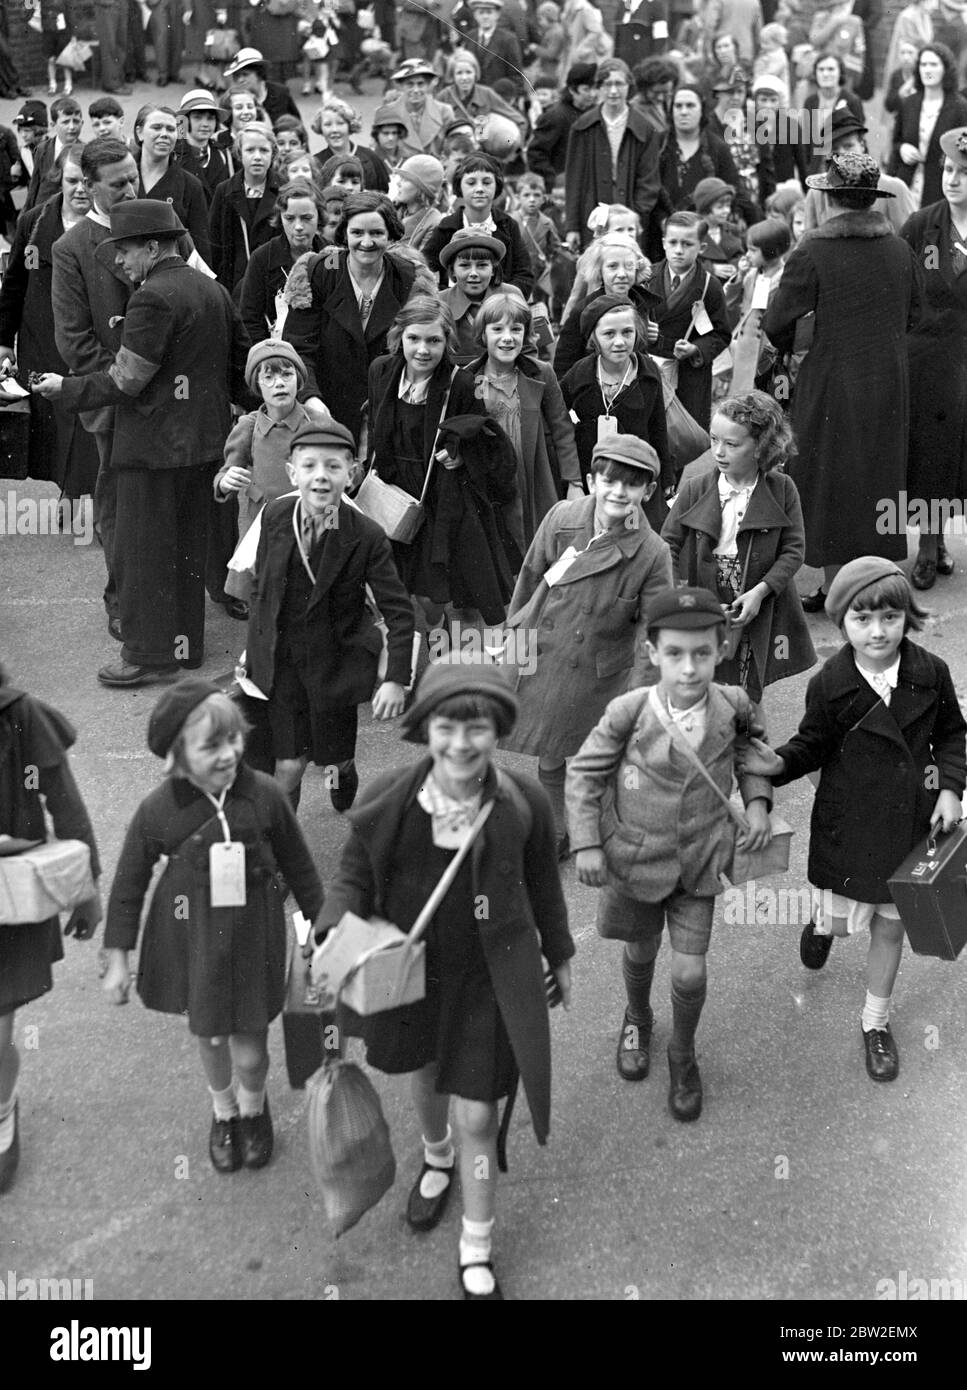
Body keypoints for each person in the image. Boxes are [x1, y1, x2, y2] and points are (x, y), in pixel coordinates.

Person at [312, 658, 574, 1301]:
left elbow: (543, 882)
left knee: (479, 1113)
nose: (461, 743)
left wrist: (560, 954)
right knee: (425, 1074)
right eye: (447, 727)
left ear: (497, 731)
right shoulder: (390, 800)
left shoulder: (522, 803)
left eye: (477, 728)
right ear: (424, 730)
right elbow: (352, 874)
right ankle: (435, 1157)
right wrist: (330, 930)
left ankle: (476, 1244)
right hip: (409, 971)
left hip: (490, 977)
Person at [738, 559, 966, 1084]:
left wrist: (951, 790)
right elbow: (813, 743)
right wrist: (778, 764)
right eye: (863, 620)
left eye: (890, 617)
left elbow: (953, 736)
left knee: (890, 928)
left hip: (910, 826)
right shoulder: (830, 683)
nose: (878, 631)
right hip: (849, 826)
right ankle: (822, 925)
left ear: (907, 617)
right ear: (841, 621)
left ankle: (875, 1023)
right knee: (842, 922)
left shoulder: (930, 673)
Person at [566, 585, 773, 1119]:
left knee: (689, 973)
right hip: (634, 862)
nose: (688, 668)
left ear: (721, 649)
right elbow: (584, 773)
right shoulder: (629, 711)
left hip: (699, 864)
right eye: (675, 654)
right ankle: (637, 1018)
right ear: (652, 652)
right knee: (639, 952)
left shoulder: (734, 705)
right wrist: (587, 841)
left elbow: (753, 752)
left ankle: (683, 1053)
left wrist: (756, 807)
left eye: (702, 653)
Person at [101, 680, 324, 1173]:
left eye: (234, 740)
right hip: (192, 936)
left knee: (250, 1045)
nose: (229, 754)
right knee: (211, 1035)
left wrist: (324, 931)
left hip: (253, 935)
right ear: (177, 756)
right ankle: (223, 1112)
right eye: (211, 746)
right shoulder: (160, 809)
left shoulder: (265, 795)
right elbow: (128, 883)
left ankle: (252, 1104)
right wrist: (117, 955)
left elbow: (302, 868)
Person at [36, 198, 250, 688]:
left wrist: (65, 388)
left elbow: (126, 380)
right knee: (188, 551)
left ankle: (148, 657)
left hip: (152, 450)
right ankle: (185, 648)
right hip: (204, 447)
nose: (120, 262)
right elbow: (238, 370)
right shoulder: (211, 290)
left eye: (125, 253)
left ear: (152, 247)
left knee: (144, 554)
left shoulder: (151, 298)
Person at [763, 152, 921, 609]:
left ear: (830, 199)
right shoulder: (899, 250)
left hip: (831, 378)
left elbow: (777, 323)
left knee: (831, 476)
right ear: (873, 200)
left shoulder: (812, 251)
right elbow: (915, 313)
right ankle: (872, 580)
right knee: (877, 473)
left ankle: (836, 585)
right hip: (890, 379)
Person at [501, 434, 672, 853]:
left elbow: (655, 630)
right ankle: (558, 829)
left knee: (600, 753)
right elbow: (529, 576)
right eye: (608, 480)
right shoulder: (562, 518)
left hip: (604, 669)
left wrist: (642, 697)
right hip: (549, 653)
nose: (618, 492)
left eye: (632, 484)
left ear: (648, 492)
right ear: (593, 481)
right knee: (549, 746)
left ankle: (605, 821)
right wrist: (513, 636)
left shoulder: (652, 552)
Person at [245, 417, 415, 812]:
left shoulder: (367, 536)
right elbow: (262, 588)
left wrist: (395, 680)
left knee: (332, 758)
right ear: (292, 472)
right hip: (283, 664)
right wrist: (254, 651)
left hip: (334, 666)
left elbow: (399, 613)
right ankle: (282, 854)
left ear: (351, 473)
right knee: (286, 767)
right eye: (309, 466)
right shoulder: (274, 516)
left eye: (333, 467)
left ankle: (345, 766)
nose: (320, 477)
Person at [0, 666, 102, 1196]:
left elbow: (65, 803)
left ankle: (1, 1116)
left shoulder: (20, 714)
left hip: (6, 899)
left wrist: (85, 890)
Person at [365, 294, 517, 628]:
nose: (423, 350)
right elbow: (376, 427)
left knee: (430, 593)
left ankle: (438, 640)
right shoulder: (381, 371)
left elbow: (480, 431)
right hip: (390, 491)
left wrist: (460, 452)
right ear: (399, 337)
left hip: (436, 496)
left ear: (447, 341)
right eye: (413, 339)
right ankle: (405, 657)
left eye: (433, 340)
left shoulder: (461, 382)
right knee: (390, 583)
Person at [661, 390, 815, 703]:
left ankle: (747, 745)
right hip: (703, 593)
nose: (718, 451)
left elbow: (793, 550)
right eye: (714, 439)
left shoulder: (782, 489)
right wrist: (688, 597)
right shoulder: (695, 488)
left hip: (754, 596)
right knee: (702, 682)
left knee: (745, 688)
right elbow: (668, 545)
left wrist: (761, 592)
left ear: (761, 448)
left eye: (731, 444)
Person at [51, 136, 140, 642]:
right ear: (87, 187)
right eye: (119, 183)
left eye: (133, 177)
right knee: (120, 507)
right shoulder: (71, 249)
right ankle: (122, 602)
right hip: (114, 405)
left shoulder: (165, 226)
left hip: (172, 400)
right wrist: (130, 383)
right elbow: (76, 344)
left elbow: (202, 292)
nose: (131, 189)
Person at [282, 191, 433, 441]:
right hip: (326, 408)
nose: (366, 242)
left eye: (376, 233)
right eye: (357, 233)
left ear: (391, 233)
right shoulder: (321, 271)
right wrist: (311, 398)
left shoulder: (407, 277)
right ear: (345, 233)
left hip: (390, 411)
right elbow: (298, 348)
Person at [0, 146, 100, 508]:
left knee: (89, 418)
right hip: (41, 338)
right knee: (54, 424)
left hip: (88, 339)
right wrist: (4, 342)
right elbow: (13, 285)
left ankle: (91, 495)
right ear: (59, 177)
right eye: (72, 180)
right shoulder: (35, 221)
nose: (80, 189)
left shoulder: (108, 223)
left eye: (87, 182)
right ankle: (68, 489)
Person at [898, 125, 967, 589]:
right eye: (948, 169)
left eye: (964, 172)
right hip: (926, 360)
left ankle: (942, 540)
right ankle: (925, 547)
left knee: (958, 456)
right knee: (930, 455)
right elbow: (896, 289)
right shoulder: (923, 224)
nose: (953, 179)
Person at [462, 289, 580, 551]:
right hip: (491, 475)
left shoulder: (541, 373)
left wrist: (574, 483)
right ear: (483, 334)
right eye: (497, 329)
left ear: (526, 335)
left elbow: (563, 430)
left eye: (516, 329)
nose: (507, 338)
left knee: (538, 542)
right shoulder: (468, 378)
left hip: (532, 474)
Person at [560, 295, 672, 518]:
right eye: (609, 334)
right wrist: (572, 480)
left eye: (627, 332)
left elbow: (658, 425)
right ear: (594, 337)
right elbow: (557, 420)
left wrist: (666, 476)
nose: (619, 342)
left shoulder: (647, 372)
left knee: (633, 530)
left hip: (635, 471)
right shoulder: (580, 374)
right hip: (592, 474)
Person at [215, 337, 327, 547]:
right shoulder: (248, 426)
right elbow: (227, 473)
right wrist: (224, 482)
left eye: (287, 374)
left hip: (310, 531)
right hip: (261, 530)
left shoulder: (318, 422)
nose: (279, 383)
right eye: (268, 377)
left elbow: (338, 488)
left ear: (299, 379)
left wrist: (332, 533)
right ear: (257, 384)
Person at [644, 210, 731, 431]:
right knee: (649, 427)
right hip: (649, 365)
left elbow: (721, 334)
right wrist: (642, 329)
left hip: (687, 375)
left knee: (680, 436)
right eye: (673, 242)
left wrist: (695, 348)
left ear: (701, 248)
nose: (678, 250)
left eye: (687, 244)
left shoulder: (710, 286)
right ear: (663, 243)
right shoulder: (646, 279)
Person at [564, 57, 662, 251]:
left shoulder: (644, 128)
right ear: (598, 87)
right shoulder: (583, 127)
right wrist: (572, 226)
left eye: (619, 84)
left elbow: (649, 181)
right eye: (607, 84)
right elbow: (574, 179)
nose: (613, 91)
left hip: (630, 219)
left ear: (629, 86)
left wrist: (637, 217)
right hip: (592, 217)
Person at [424, 153, 533, 295]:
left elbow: (524, 275)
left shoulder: (508, 226)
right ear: (459, 186)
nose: (479, 189)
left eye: (487, 182)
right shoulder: (446, 227)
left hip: (499, 310)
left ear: (497, 185)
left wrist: (500, 300)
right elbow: (425, 270)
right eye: (471, 183)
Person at [554, 229, 658, 377]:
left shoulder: (643, 303)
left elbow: (645, 354)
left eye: (628, 265)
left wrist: (653, 339)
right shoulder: (584, 310)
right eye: (612, 266)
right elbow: (563, 364)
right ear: (599, 270)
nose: (621, 274)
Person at [238, 179, 325, 346]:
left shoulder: (330, 255)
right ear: (280, 218)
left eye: (306, 218)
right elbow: (249, 318)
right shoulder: (262, 258)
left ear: (319, 216)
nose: (298, 226)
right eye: (290, 218)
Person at [132, 104, 212, 267]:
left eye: (170, 129)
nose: (164, 134)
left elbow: (201, 251)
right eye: (156, 127)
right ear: (139, 132)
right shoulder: (123, 177)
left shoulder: (190, 185)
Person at [660, 84, 751, 225]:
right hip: (661, 232)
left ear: (702, 110)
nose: (683, 112)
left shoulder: (718, 148)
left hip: (706, 231)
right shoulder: (658, 146)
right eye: (678, 106)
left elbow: (734, 191)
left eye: (690, 106)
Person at [889, 42, 967, 208]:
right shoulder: (909, 103)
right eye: (923, 64)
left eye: (933, 64)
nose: (927, 69)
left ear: (945, 69)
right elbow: (896, 142)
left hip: (940, 190)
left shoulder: (960, 108)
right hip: (905, 186)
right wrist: (902, 148)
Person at [208, 121, 279, 294]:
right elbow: (214, 241)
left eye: (264, 150)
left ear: (273, 154)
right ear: (239, 153)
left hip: (274, 281)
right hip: (235, 281)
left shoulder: (283, 190)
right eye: (250, 150)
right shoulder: (225, 191)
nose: (257, 156)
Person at [525, 60, 598, 189]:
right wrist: (552, 180)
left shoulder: (595, 113)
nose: (592, 94)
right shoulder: (555, 116)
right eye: (586, 89)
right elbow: (536, 154)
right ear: (572, 90)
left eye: (594, 88)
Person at [439, 227, 507, 363]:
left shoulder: (510, 295)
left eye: (482, 265)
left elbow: (528, 349)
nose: (473, 273)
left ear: (493, 269)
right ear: (452, 271)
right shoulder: (440, 302)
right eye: (465, 265)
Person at [380, 57, 455, 160]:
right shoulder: (388, 112)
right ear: (401, 86)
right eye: (410, 84)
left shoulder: (444, 112)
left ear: (429, 85)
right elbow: (379, 152)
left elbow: (453, 151)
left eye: (421, 84)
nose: (415, 90)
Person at [437, 49, 527, 135]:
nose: (464, 78)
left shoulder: (487, 94)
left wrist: (514, 146)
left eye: (468, 72)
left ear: (475, 73)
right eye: (459, 73)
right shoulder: (444, 96)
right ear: (452, 75)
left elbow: (520, 121)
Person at [802, 53, 864, 173]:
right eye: (821, 70)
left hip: (844, 166)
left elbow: (858, 137)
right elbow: (807, 141)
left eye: (831, 69)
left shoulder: (852, 101)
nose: (825, 74)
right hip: (817, 167)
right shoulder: (810, 102)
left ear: (840, 72)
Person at [23, 94, 82, 212]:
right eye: (65, 122)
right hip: (43, 211)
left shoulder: (85, 152)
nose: (72, 127)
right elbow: (35, 185)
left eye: (76, 121)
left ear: (82, 123)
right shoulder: (42, 149)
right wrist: (27, 213)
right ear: (53, 125)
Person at [177, 89, 231, 206]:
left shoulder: (224, 155)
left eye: (210, 118)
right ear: (185, 121)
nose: (205, 124)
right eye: (198, 117)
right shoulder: (174, 155)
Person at [221, 44, 301, 122]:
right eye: (236, 76)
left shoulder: (281, 92)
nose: (240, 80)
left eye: (245, 74)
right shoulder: (230, 99)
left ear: (259, 74)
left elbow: (297, 125)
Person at [462, 0, 526, 92]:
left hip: (499, 96)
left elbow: (516, 74)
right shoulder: (469, 37)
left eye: (489, 13)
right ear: (475, 15)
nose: (485, 17)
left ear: (497, 15)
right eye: (481, 13)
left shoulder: (508, 39)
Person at [389, 154, 446, 255]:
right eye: (400, 178)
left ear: (421, 189)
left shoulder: (435, 222)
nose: (398, 183)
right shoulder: (394, 211)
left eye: (405, 180)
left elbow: (423, 264)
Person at [93, 0, 132, 96]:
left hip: (121, 4)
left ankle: (118, 80)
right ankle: (111, 84)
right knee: (109, 45)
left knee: (121, 44)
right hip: (106, 6)